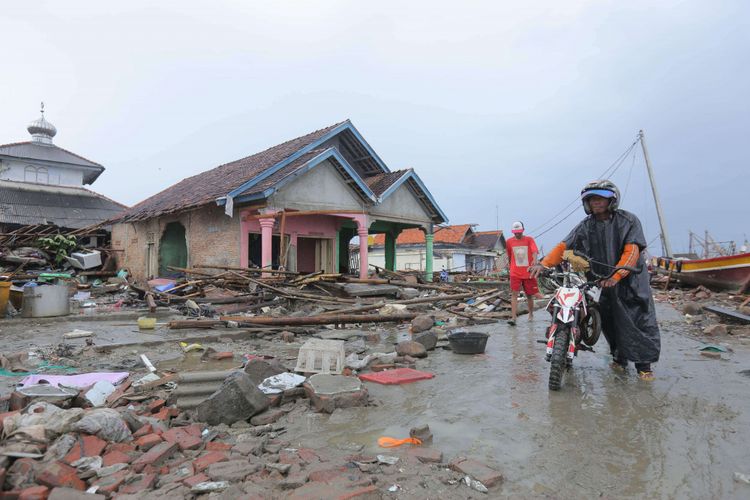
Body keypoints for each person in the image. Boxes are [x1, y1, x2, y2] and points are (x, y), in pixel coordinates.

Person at [529, 180, 660, 381]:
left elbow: (632, 251)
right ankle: (619, 358)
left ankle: (644, 365)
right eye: (591, 200)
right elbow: (564, 246)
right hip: (600, 282)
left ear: (611, 200)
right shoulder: (585, 226)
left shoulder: (628, 220)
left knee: (637, 321)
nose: (596, 203)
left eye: (600, 198)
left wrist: (617, 276)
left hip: (630, 282)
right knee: (609, 322)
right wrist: (544, 264)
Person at [505, 221, 540, 326]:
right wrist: (510, 266)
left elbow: (534, 251)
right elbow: (510, 255)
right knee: (514, 294)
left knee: (529, 295)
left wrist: (534, 261)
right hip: (515, 272)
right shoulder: (509, 242)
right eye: (515, 232)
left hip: (528, 271)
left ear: (523, 230)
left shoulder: (529, 240)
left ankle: (531, 314)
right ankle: (513, 318)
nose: (517, 234)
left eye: (519, 232)